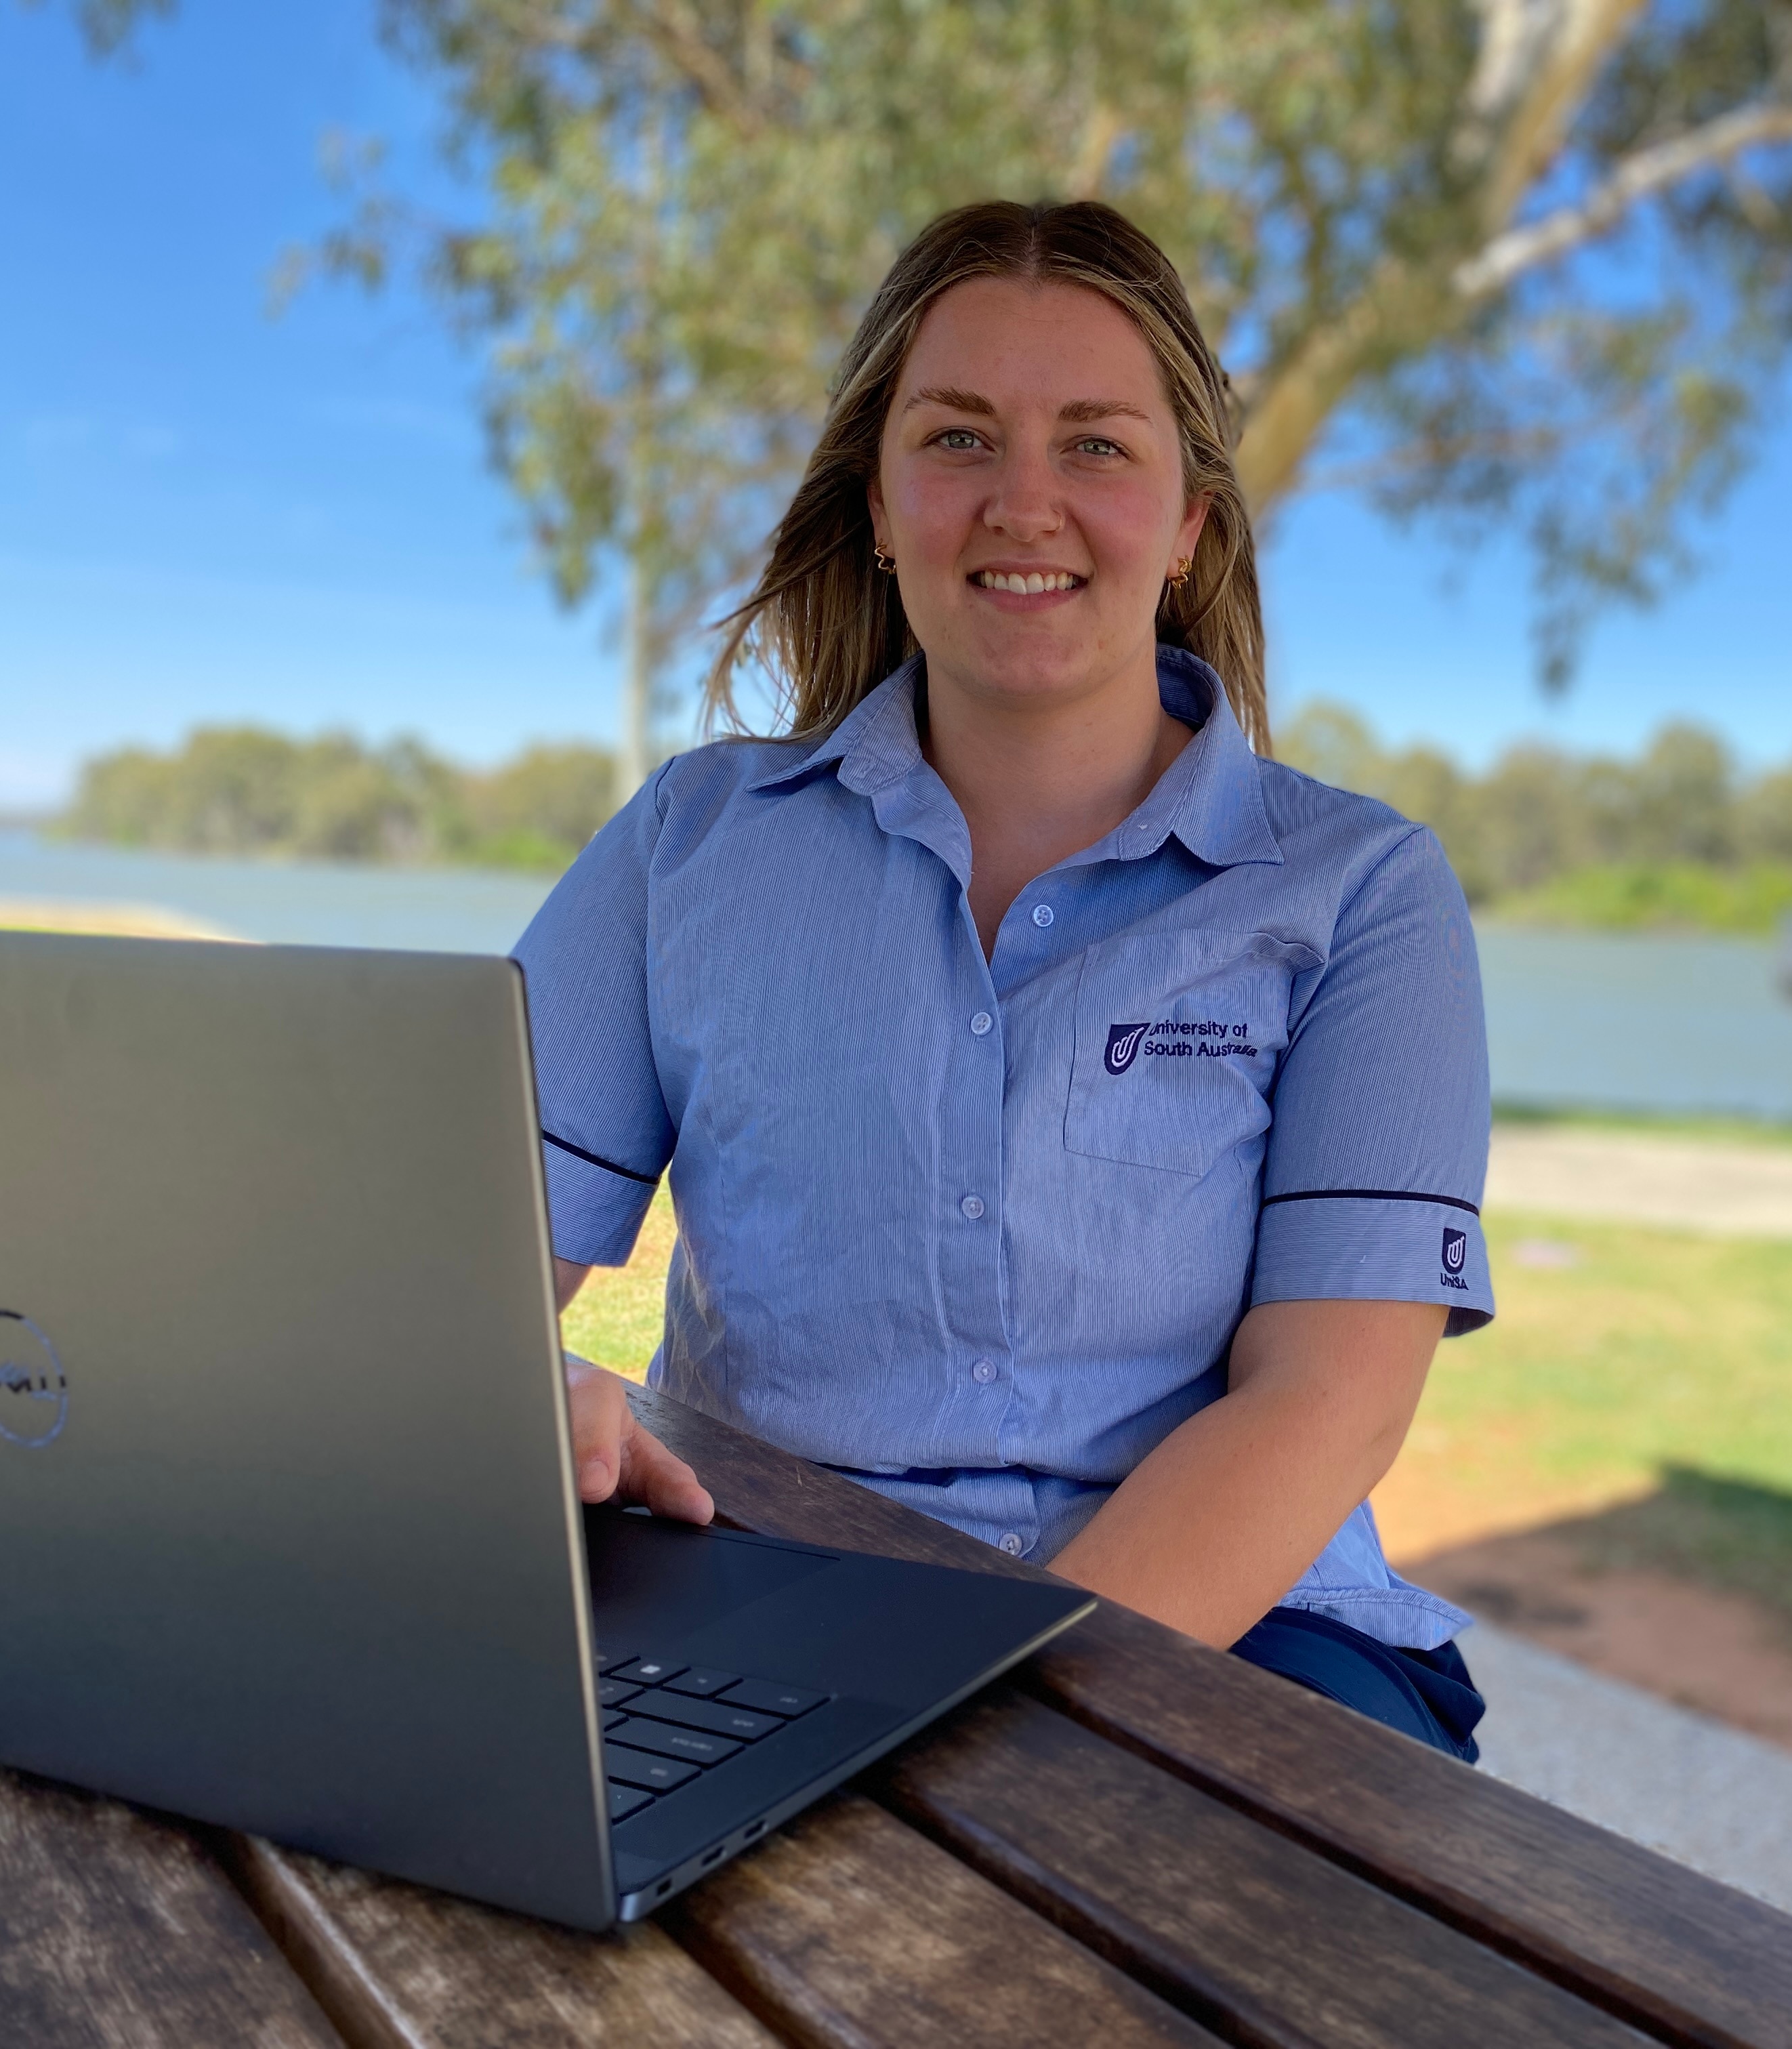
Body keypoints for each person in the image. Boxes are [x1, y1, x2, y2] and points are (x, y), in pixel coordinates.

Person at [519, 200, 1492, 1761]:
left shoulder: (1364, 893)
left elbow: (1328, 1403)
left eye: (1097, 446)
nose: (1023, 503)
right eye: (959, 439)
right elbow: (455, 1270)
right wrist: (519, 1377)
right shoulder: (684, 848)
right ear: (882, 506)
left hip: (1241, 1624)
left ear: (1187, 524)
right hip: (750, 1583)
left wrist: (980, 1716)